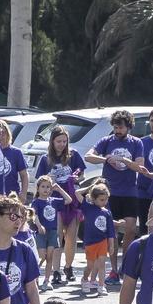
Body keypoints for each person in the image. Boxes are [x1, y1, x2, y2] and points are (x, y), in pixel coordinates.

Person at [88, 109, 146, 255]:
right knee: (111, 229)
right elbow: (88, 156)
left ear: (128, 127)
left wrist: (123, 160)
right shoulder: (106, 141)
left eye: (121, 127)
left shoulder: (136, 143)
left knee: (131, 228)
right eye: (115, 127)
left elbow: (139, 167)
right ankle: (113, 266)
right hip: (110, 192)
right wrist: (106, 159)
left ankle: (126, 260)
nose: (118, 130)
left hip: (129, 191)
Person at [33, 125, 86, 279]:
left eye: (64, 141)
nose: (62, 144)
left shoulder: (73, 155)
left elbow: (82, 175)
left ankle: (68, 267)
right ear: (52, 142)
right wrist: (49, 183)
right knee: (57, 236)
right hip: (54, 201)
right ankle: (56, 270)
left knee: (71, 236)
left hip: (71, 199)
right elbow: (40, 181)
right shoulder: (46, 159)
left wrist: (76, 179)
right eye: (59, 141)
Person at [76, 182, 116, 294]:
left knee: (101, 264)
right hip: (90, 242)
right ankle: (85, 280)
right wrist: (90, 187)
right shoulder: (87, 207)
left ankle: (101, 285)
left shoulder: (107, 212)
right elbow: (77, 193)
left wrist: (111, 244)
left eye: (106, 199)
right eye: (101, 200)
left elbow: (110, 230)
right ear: (94, 199)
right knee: (90, 265)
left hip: (102, 241)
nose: (104, 202)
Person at [32, 174, 66, 284]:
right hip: (41, 232)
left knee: (50, 257)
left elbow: (69, 200)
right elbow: (34, 215)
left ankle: (46, 280)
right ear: (38, 188)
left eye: (48, 187)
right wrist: (39, 226)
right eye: (43, 186)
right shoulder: (36, 202)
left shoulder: (54, 200)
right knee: (42, 256)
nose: (45, 189)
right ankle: (34, 277)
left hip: (53, 232)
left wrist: (59, 189)